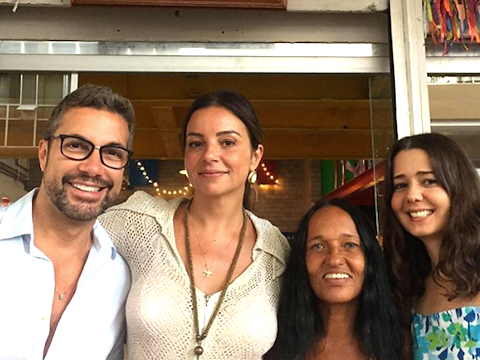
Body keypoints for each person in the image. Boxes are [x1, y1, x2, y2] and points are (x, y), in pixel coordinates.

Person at [100, 89, 290, 360]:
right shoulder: (140, 222)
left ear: (255, 156)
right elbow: (68, 244)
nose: (210, 154)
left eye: (227, 142)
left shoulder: (276, 252)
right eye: (196, 143)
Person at [0, 84, 134, 360]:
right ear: (44, 154)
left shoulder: (120, 277)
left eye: (112, 153)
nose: (93, 168)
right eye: (75, 146)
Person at [269, 198, 405, 360]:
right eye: (318, 246)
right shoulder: (271, 343)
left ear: (369, 257)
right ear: (302, 260)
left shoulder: (401, 343)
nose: (334, 259)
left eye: (349, 245)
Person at [383, 132, 480, 359]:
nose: (412, 195)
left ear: (457, 186)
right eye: (400, 185)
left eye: (429, 181)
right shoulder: (409, 282)